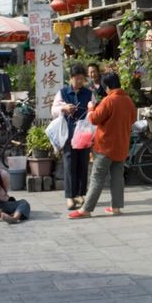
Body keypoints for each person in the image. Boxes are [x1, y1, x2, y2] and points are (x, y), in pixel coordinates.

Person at [69, 72, 136, 219]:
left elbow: (94, 119)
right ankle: (116, 207)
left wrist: (91, 108)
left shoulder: (108, 100)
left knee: (97, 177)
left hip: (105, 146)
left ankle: (86, 209)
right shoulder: (128, 100)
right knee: (117, 177)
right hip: (122, 145)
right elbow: (133, 119)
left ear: (107, 86)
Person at [52, 64, 93, 210]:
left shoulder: (88, 93)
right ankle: (70, 196)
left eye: (82, 79)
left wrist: (90, 111)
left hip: (84, 135)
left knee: (83, 164)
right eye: (77, 79)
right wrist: (64, 108)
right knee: (69, 164)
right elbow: (54, 110)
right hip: (68, 134)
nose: (79, 82)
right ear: (71, 79)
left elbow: (93, 110)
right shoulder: (63, 92)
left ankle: (80, 194)